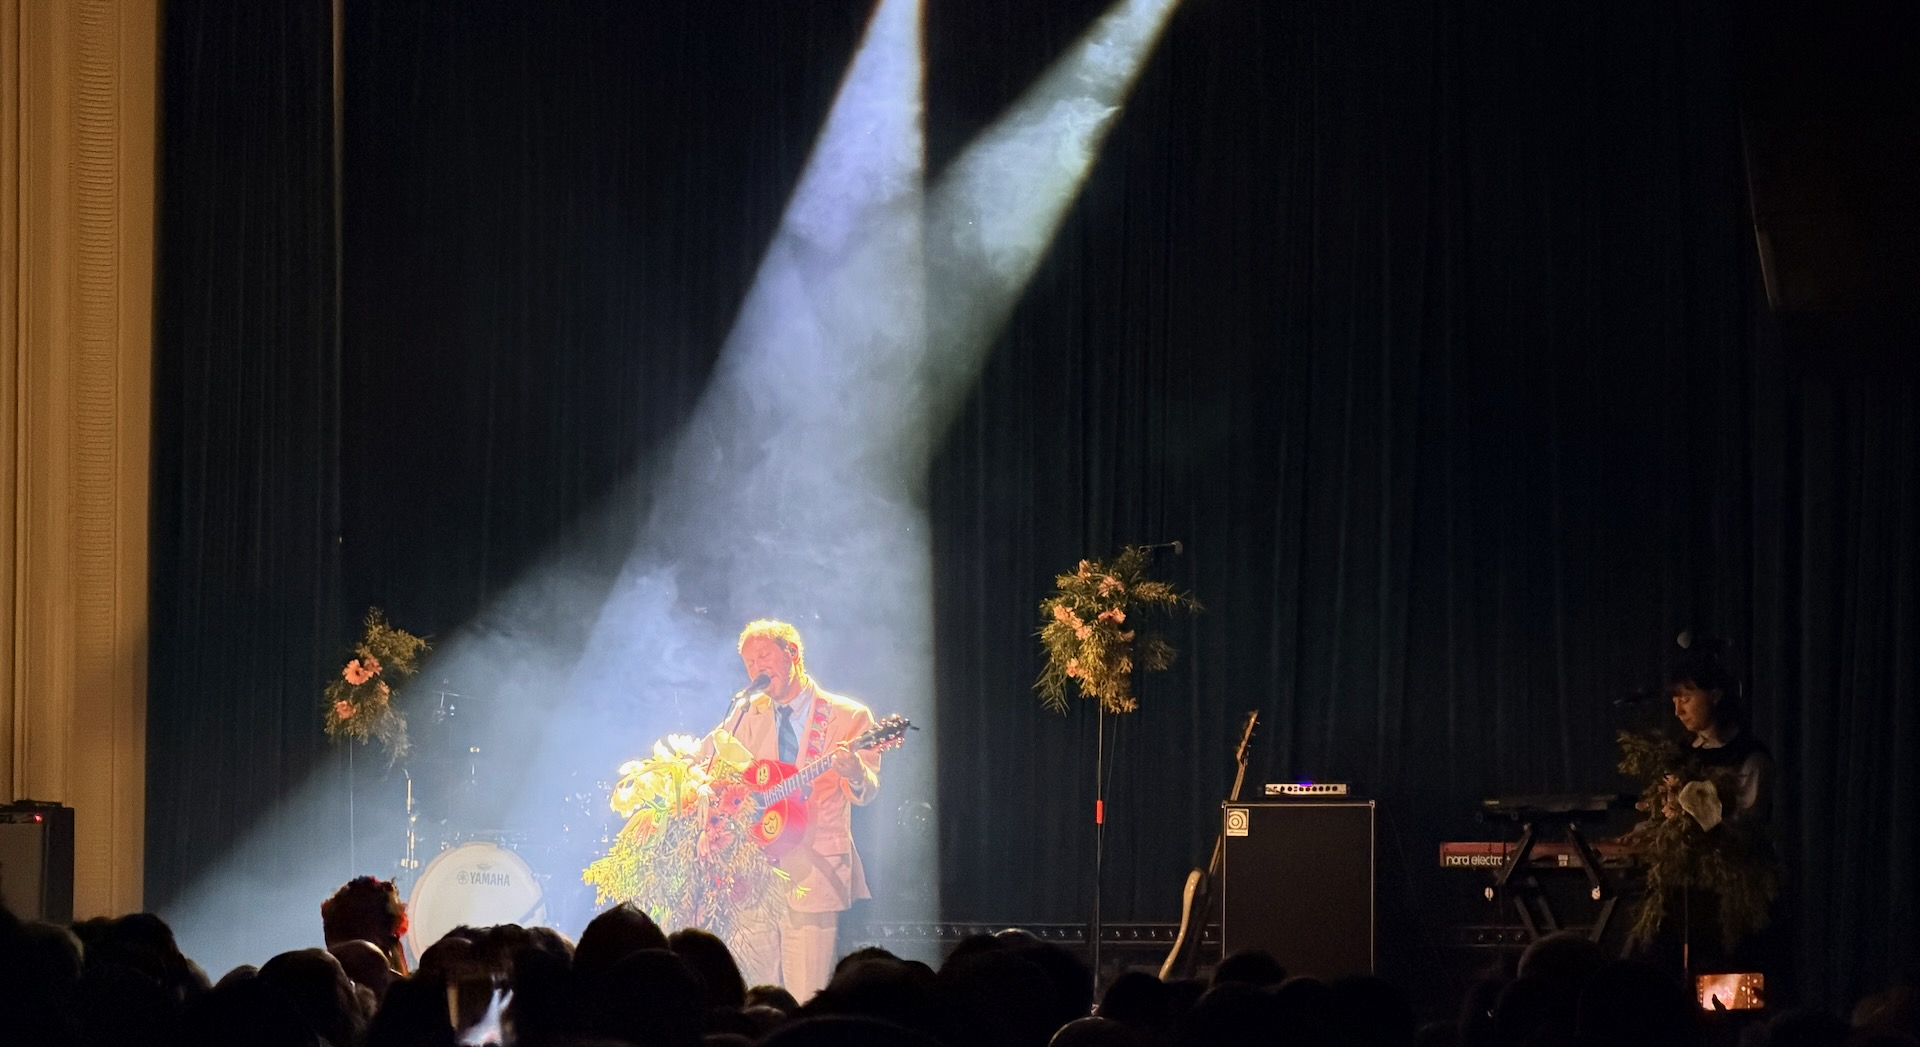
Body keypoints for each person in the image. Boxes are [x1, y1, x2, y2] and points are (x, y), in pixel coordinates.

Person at [709, 619, 882, 1001]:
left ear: (793, 654)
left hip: (815, 866)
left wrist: (853, 772)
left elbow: (867, 790)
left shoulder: (848, 716)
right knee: (754, 994)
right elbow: (706, 763)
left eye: (764, 656)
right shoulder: (745, 714)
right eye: (749, 662)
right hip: (752, 869)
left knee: (807, 994)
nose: (757, 668)